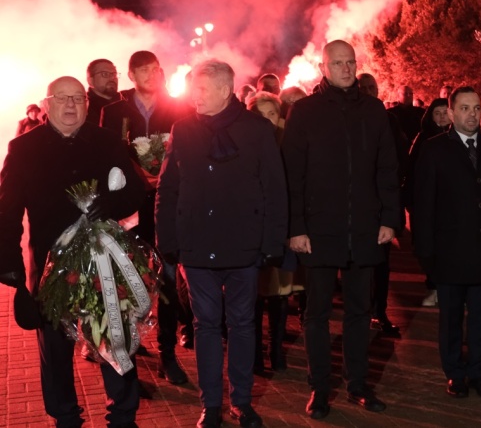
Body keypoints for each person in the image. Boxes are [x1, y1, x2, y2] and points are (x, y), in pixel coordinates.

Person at [0, 76, 145, 427]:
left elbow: (137, 190)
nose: (70, 105)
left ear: (87, 104)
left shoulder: (108, 142)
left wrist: (110, 203)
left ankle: (123, 416)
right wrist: (12, 272)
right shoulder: (24, 148)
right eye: (62, 98)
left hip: (104, 264)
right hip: (51, 268)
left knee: (115, 341)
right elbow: (7, 210)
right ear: (47, 104)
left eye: (78, 98)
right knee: (55, 351)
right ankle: (65, 418)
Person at [156, 59, 287, 428]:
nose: (193, 96)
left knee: (243, 324)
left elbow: (275, 189)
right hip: (196, 247)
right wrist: (168, 240)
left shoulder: (257, 130)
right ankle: (210, 404)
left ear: (226, 90)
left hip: (244, 246)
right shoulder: (182, 129)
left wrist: (272, 243)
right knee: (206, 325)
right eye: (193, 88)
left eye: (201, 88)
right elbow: (168, 188)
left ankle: (242, 402)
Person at [282, 40, 399, 419]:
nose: (347, 68)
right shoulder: (305, 112)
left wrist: (389, 219)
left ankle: (358, 384)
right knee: (316, 314)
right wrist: (296, 227)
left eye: (351, 62)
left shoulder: (374, 110)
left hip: (365, 229)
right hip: (318, 231)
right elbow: (292, 177)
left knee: (360, 312)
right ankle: (319, 388)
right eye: (339, 63)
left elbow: (387, 168)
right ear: (324, 66)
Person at [413, 86, 481, 398]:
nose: (471, 115)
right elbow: (424, 206)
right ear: (451, 112)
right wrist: (425, 251)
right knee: (450, 319)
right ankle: (454, 373)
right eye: (464, 108)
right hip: (449, 254)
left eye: (476, 109)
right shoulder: (434, 150)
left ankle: (477, 371)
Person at [101, 50, 193, 385]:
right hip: (128, 208)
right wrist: (138, 175)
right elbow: (108, 157)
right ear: (130, 75)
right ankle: (127, 353)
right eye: (141, 70)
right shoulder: (114, 112)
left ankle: (168, 354)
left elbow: (188, 154)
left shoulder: (179, 108)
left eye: (154, 69)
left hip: (167, 206)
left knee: (168, 280)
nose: (149, 75)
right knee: (127, 280)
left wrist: (164, 175)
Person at [247, 91, 298, 371]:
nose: (267, 121)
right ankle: (254, 353)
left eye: (272, 114)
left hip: (281, 231)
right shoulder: (244, 146)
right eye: (260, 115)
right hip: (253, 232)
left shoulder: (290, 147)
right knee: (253, 295)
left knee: (280, 293)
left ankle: (275, 349)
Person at [357, 72, 409, 338]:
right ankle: (361, 313)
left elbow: (400, 157)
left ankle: (379, 311)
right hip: (358, 205)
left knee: (382, 264)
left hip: (383, 203)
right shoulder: (350, 118)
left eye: (371, 87)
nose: (367, 91)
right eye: (363, 87)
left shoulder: (389, 119)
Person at [402, 97, 452, 308]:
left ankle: (451, 289)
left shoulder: (458, 137)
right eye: (437, 113)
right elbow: (411, 171)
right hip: (428, 205)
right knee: (429, 249)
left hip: (451, 206)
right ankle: (433, 287)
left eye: (444, 112)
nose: (441, 117)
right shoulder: (423, 139)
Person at [85, 58, 122, 124]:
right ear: (90, 80)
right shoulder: (83, 108)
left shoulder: (127, 103)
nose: (112, 78)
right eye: (105, 74)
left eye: (114, 74)